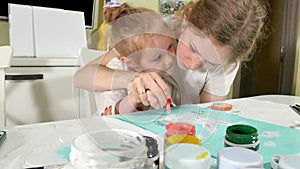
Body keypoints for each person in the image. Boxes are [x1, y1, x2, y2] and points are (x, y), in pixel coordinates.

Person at [74, 0, 270, 111]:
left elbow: (206, 114)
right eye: (192, 48)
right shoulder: (155, 33)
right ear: (186, 19)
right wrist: (134, 79)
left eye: (208, 63)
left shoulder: (226, 61)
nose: (192, 65)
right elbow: (82, 77)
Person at [75, 7, 176, 115]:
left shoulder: (159, 71)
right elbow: (111, 114)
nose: (170, 59)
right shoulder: (116, 68)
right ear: (131, 62)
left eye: (170, 46)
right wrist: (134, 98)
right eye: (158, 57)